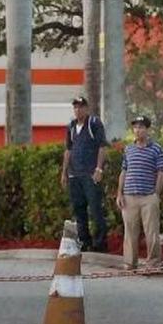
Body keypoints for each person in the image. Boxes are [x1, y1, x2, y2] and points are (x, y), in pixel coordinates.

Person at [116, 116, 163, 269]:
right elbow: (124, 171)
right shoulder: (128, 149)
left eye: (141, 127)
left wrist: (156, 194)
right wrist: (119, 193)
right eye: (136, 127)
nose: (138, 130)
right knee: (130, 232)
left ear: (147, 129)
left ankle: (153, 263)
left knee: (151, 232)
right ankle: (130, 263)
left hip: (148, 197)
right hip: (129, 196)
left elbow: (161, 172)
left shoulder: (156, 148)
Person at [62, 96, 109, 252]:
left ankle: (100, 243)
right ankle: (84, 241)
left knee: (95, 209)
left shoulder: (93, 123)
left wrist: (98, 168)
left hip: (90, 174)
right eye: (75, 107)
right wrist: (64, 172)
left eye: (81, 107)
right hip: (74, 174)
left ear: (87, 108)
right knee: (79, 210)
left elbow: (102, 146)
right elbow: (68, 150)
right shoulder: (71, 126)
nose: (78, 110)